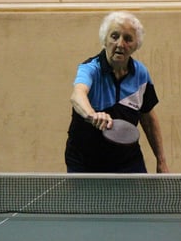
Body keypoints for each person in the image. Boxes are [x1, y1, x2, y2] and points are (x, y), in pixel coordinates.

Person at [65, 11, 169, 173]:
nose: (120, 44)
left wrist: (161, 161)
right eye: (114, 36)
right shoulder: (90, 69)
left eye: (128, 39)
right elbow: (77, 95)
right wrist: (92, 114)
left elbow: (148, 118)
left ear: (136, 45)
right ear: (105, 40)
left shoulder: (141, 74)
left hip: (127, 160)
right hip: (85, 161)